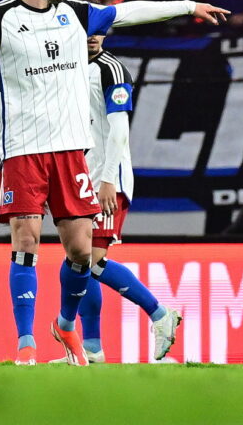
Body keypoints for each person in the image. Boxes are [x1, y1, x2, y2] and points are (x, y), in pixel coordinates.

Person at [0, 0, 230, 364]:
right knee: (26, 239)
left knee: (80, 251)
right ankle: (25, 345)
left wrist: (187, 6)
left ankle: (68, 329)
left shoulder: (75, 14)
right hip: (23, 151)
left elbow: (128, 12)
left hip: (71, 153)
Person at [54, 30, 187, 364]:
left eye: (99, 31)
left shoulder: (111, 70)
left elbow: (119, 130)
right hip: (80, 180)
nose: (93, 37)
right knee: (82, 263)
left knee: (92, 262)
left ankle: (159, 314)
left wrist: (109, 180)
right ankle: (93, 349)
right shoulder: (62, 70)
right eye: (86, 31)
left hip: (106, 181)